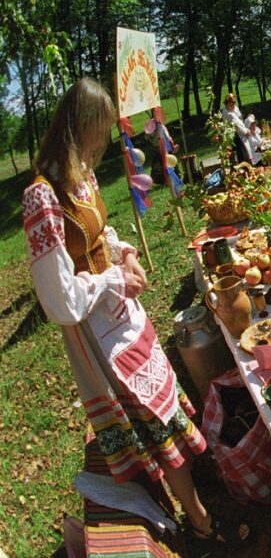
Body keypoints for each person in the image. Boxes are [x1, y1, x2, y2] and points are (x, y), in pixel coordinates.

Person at [21, 79, 249, 545]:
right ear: (80, 126)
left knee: (166, 410)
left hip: (126, 318)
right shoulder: (41, 197)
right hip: (98, 337)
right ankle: (201, 521)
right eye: (99, 130)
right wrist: (112, 280)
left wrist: (124, 253)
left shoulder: (79, 174)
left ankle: (195, 498)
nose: (102, 142)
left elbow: (98, 234)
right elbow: (60, 301)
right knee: (155, 422)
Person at [221, 92, 252, 164]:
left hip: (241, 130)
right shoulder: (228, 114)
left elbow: (240, 118)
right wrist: (245, 131)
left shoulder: (234, 108)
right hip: (236, 135)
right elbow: (236, 124)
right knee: (241, 153)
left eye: (233, 104)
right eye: (231, 105)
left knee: (246, 151)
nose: (233, 106)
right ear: (227, 104)